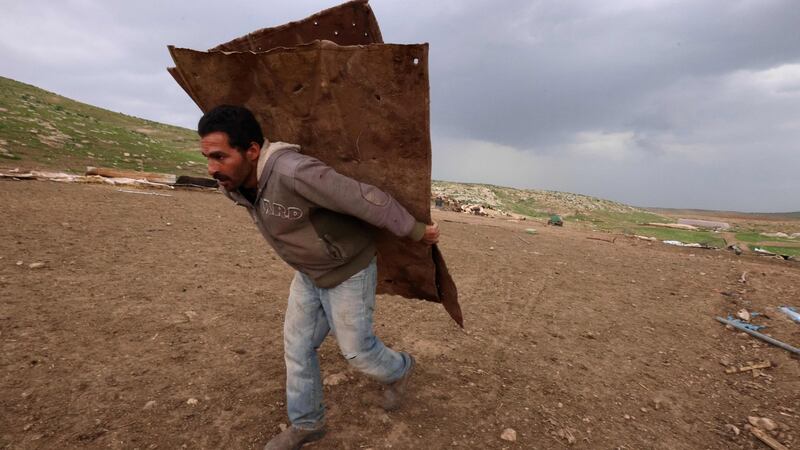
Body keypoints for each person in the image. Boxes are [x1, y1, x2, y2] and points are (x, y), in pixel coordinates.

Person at [197, 105, 439, 450]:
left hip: (348, 271)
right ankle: (307, 424)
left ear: (252, 150)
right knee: (297, 348)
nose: (212, 169)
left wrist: (415, 230)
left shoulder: (295, 172)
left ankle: (401, 368)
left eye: (220, 157)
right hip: (309, 274)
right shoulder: (235, 185)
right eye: (207, 157)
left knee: (358, 352)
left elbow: (363, 198)